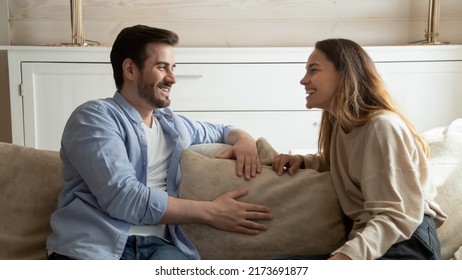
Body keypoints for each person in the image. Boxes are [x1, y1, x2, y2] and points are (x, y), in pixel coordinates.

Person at [46, 25, 272, 260]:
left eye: (172, 68)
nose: (172, 78)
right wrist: (211, 212)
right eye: (161, 67)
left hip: (159, 247)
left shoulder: (172, 126)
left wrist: (244, 140)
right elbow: (124, 198)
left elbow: (224, 130)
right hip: (94, 247)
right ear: (130, 69)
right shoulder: (94, 117)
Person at [272, 38, 447, 260]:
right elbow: (348, 161)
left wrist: (346, 258)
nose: (303, 80)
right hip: (374, 240)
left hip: (406, 242)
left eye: (313, 70)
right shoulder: (341, 127)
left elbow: (397, 215)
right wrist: (303, 160)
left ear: (344, 73)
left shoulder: (383, 126)